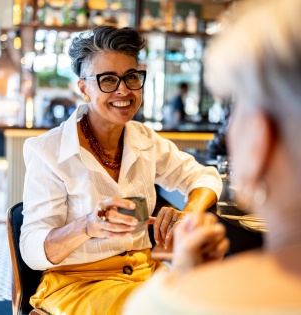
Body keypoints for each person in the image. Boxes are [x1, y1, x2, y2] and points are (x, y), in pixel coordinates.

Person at [20, 26, 224, 315]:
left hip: (144, 273)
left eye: (131, 77)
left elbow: (205, 177)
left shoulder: (145, 139)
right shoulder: (48, 151)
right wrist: (88, 225)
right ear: (83, 88)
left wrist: (188, 214)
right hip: (78, 284)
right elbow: (32, 250)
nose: (124, 90)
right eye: (107, 80)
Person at [124, 0, 301, 313]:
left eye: (238, 113)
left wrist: (185, 279)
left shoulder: (166, 303)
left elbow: (201, 174)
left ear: (259, 138)